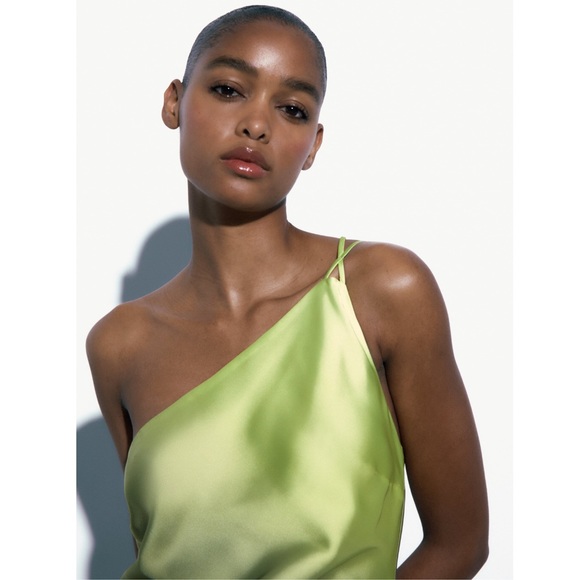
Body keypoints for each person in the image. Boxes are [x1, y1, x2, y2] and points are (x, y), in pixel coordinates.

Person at [86, 5, 489, 579]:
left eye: (292, 109)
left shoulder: (381, 291)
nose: (256, 125)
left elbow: (460, 544)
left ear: (314, 144)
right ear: (174, 102)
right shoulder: (119, 343)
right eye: (228, 90)